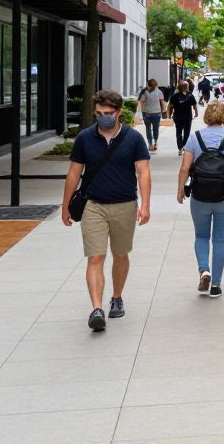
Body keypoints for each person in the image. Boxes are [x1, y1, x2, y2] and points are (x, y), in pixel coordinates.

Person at [61, 89, 151, 332]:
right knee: (96, 257)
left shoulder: (133, 139)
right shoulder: (84, 138)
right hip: (93, 206)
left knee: (120, 254)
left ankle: (117, 296)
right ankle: (97, 309)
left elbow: (143, 171)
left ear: (119, 112)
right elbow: (74, 173)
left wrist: (145, 205)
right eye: (99, 113)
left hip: (124, 205)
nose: (103, 117)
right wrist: (65, 205)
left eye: (108, 113)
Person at [176, 100, 224, 298]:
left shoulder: (194, 138)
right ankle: (216, 285)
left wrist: (180, 190)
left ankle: (204, 270)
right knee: (219, 239)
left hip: (200, 195)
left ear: (207, 116)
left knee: (201, 236)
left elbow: (184, 168)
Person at [167, 80, 198, 155]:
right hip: (187, 117)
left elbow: (170, 107)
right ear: (187, 87)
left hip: (178, 117)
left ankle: (180, 147)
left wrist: (169, 115)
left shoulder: (174, 96)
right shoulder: (190, 95)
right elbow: (194, 106)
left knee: (178, 132)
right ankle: (183, 145)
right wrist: (196, 113)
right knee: (187, 132)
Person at [137, 78, 167, 153]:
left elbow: (141, 101)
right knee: (156, 128)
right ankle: (155, 142)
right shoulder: (159, 92)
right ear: (156, 85)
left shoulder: (144, 92)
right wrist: (164, 110)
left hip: (146, 113)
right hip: (157, 113)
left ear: (148, 85)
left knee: (148, 129)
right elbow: (162, 103)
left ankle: (150, 145)